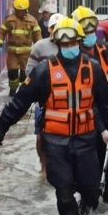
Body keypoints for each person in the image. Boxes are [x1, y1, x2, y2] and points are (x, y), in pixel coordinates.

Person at [0, 18, 108, 215]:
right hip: (56, 143)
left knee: (91, 191)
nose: (69, 48)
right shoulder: (43, 71)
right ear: (57, 44)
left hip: (85, 141)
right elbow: (21, 101)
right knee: (64, 192)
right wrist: (2, 126)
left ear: (78, 42)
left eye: (72, 43)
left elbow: (106, 104)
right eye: (64, 44)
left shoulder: (93, 69)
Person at [71, 6, 108, 202]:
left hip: (107, 112)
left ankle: (105, 195)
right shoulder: (74, 57)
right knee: (87, 164)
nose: (91, 34)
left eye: (93, 30)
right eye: (86, 31)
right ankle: (86, 199)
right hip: (87, 117)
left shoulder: (104, 48)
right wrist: (104, 81)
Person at [26, 12, 65, 174]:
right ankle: (44, 167)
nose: (56, 31)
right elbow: (30, 71)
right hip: (43, 99)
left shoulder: (71, 45)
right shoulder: (40, 47)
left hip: (65, 98)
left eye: (59, 28)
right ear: (49, 29)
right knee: (40, 135)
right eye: (53, 28)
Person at [0, 0, 42, 96]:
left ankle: (23, 92)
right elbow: (2, 31)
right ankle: (12, 91)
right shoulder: (9, 20)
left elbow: (37, 35)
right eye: (17, 10)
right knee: (12, 73)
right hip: (13, 53)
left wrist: (40, 47)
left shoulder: (32, 21)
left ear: (26, 9)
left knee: (23, 75)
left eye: (21, 10)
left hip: (26, 53)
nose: (19, 12)